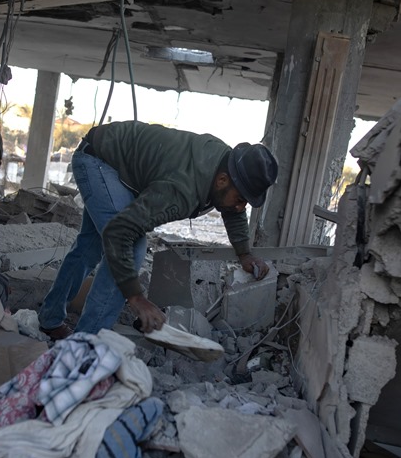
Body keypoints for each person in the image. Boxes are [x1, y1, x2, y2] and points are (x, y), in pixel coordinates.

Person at [37, 120, 278, 340]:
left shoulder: (226, 166)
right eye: (240, 198)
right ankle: (83, 346)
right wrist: (136, 298)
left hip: (116, 163)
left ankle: (50, 318)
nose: (240, 207)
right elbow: (119, 233)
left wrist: (245, 254)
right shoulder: (181, 190)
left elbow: (231, 208)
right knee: (130, 246)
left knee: (90, 247)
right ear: (223, 180)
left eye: (245, 202)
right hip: (98, 162)